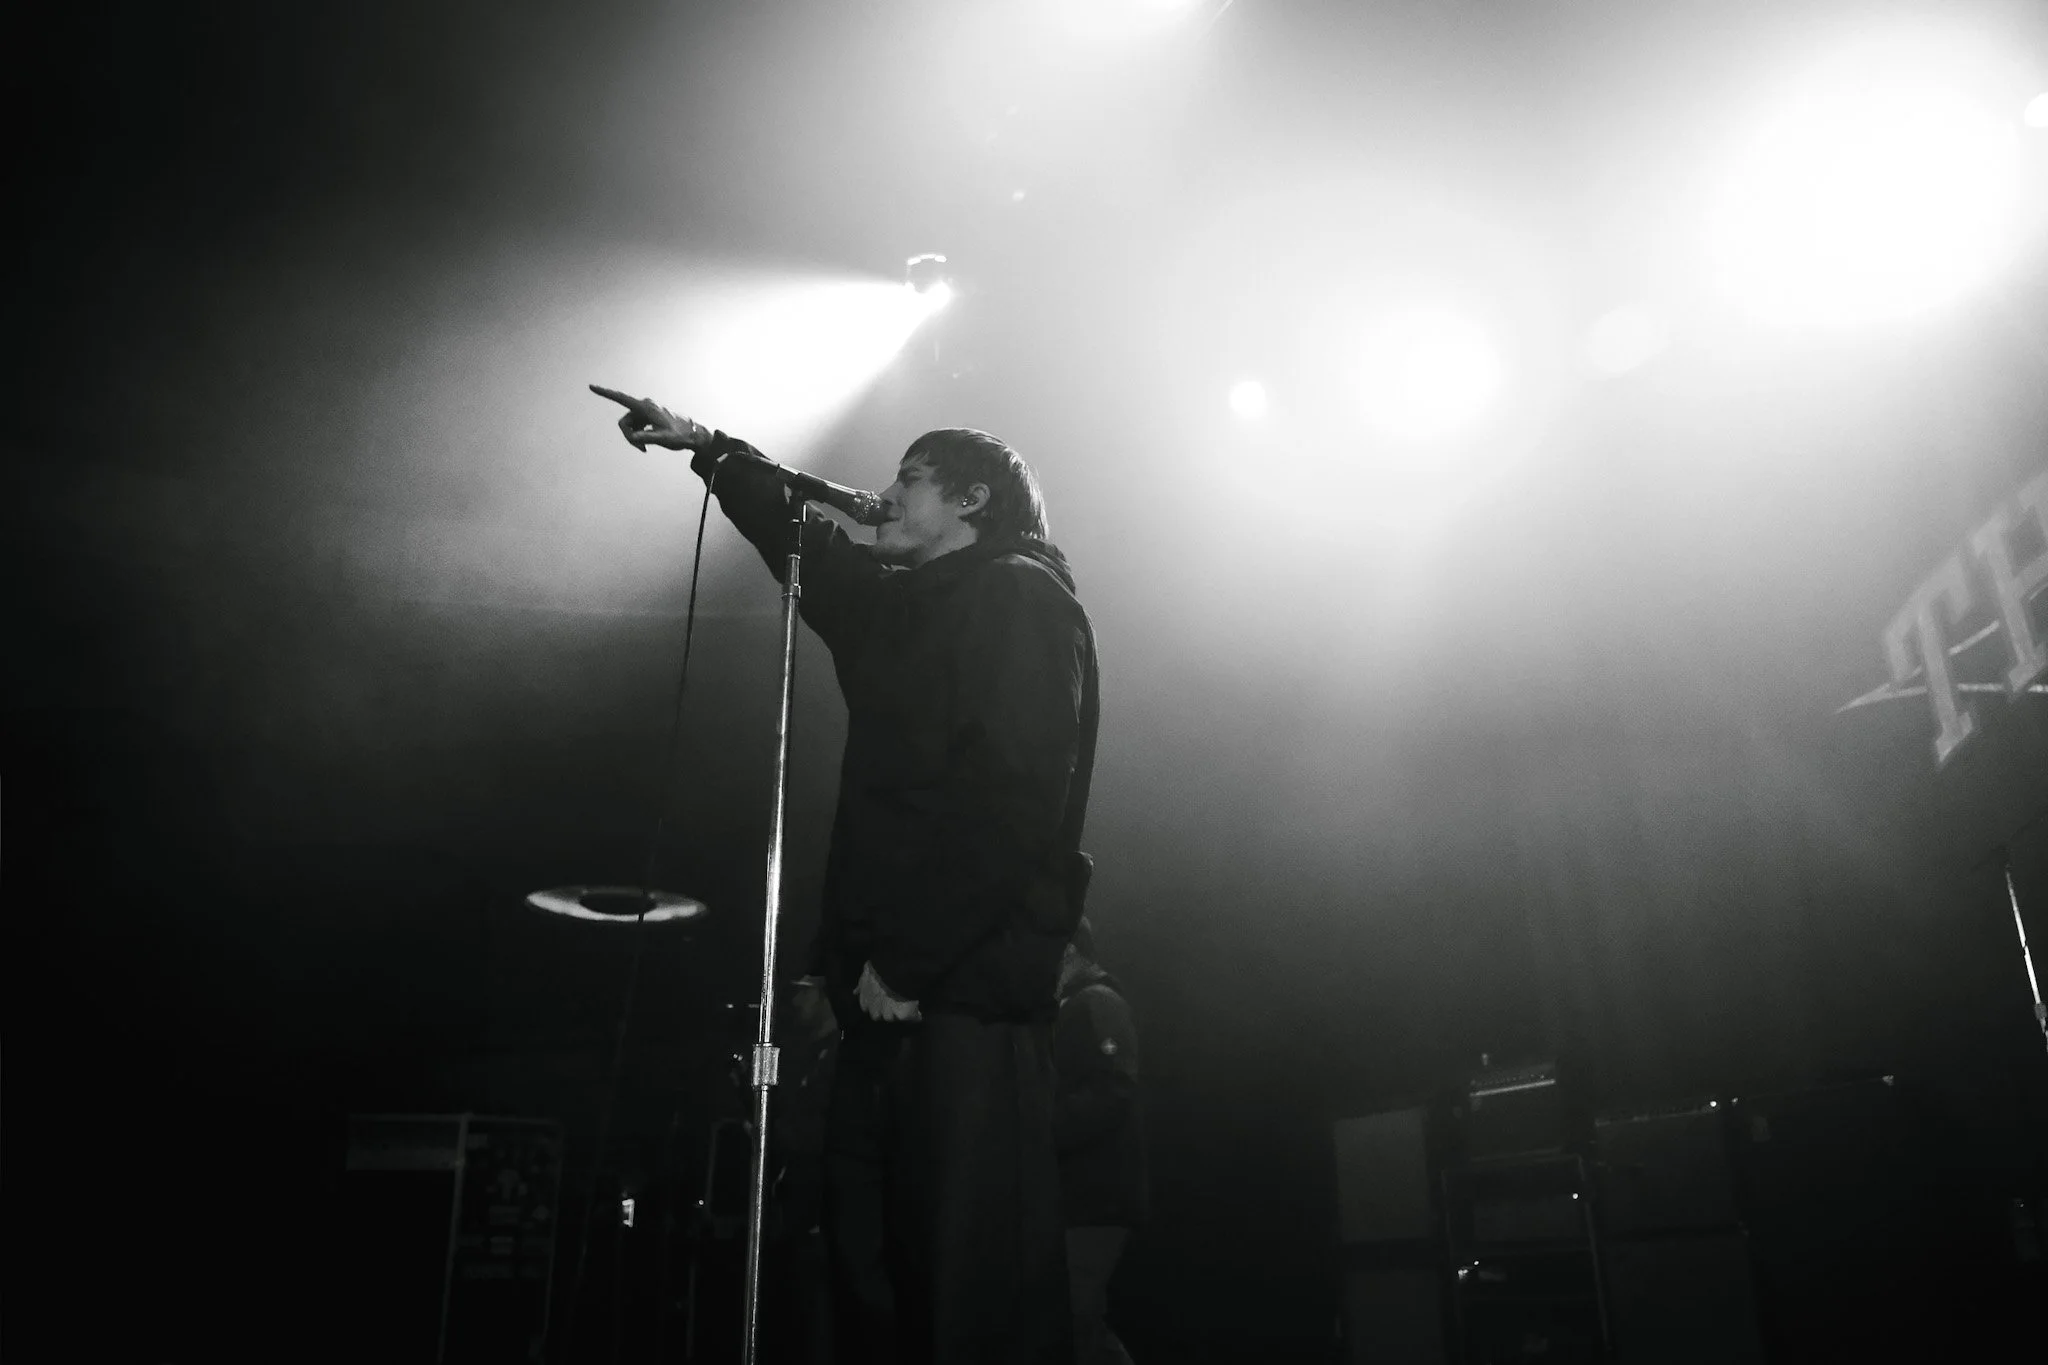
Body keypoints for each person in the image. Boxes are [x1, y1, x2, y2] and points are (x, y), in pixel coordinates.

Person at [594, 387, 1099, 1365]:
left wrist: (911, 958)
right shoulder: (901, 609)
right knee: (870, 1272)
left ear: (973, 499)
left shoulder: (1022, 599)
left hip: (964, 993)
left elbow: (1014, 799)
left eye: (911, 479)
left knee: (964, 1286)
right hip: (880, 996)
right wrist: (708, 450)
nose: (886, 494)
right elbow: (808, 547)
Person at [1052, 915, 1146, 1365]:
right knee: (1076, 1319)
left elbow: (1114, 1089)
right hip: (1083, 1196)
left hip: (1096, 1196)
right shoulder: (1076, 1005)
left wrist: (1043, 1128)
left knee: (1070, 1317)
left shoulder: (1097, 1001)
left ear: (1069, 949)